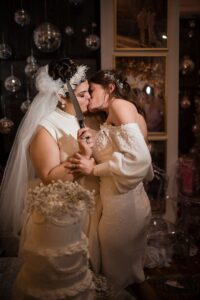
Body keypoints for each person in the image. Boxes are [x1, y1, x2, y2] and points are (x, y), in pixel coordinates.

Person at [0, 58, 101, 299]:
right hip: (61, 215)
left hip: (88, 204)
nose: (89, 98)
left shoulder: (84, 119)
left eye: (88, 93)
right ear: (62, 97)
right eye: (83, 94)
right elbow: (48, 178)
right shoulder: (46, 128)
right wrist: (83, 155)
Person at [69, 70, 159, 300]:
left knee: (119, 280)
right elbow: (128, 154)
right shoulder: (117, 112)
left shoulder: (120, 105)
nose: (89, 96)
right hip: (123, 204)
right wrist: (92, 141)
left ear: (110, 88)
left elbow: (141, 161)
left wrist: (93, 169)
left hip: (123, 210)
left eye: (92, 90)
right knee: (131, 277)